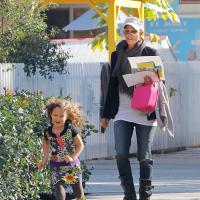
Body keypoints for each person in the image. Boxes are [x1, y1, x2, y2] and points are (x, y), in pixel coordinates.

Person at [101, 16, 159, 200]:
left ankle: (145, 194)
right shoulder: (117, 54)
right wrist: (106, 114)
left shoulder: (150, 51)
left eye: (133, 31)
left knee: (144, 156)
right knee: (121, 153)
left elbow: (160, 81)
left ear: (140, 33)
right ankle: (129, 194)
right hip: (122, 111)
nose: (129, 34)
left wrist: (151, 79)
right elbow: (112, 85)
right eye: (126, 31)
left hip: (145, 110)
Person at [38, 97, 86, 200]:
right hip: (56, 166)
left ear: (67, 116)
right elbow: (46, 144)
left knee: (78, 194)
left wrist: (73, 157)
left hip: (71, 165)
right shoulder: (47, 132)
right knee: (59, 193)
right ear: (50, 115)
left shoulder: (70, 129)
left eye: (61, 116)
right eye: (55, 115)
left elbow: (80, 145)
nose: (58, 118)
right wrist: (44, 159)